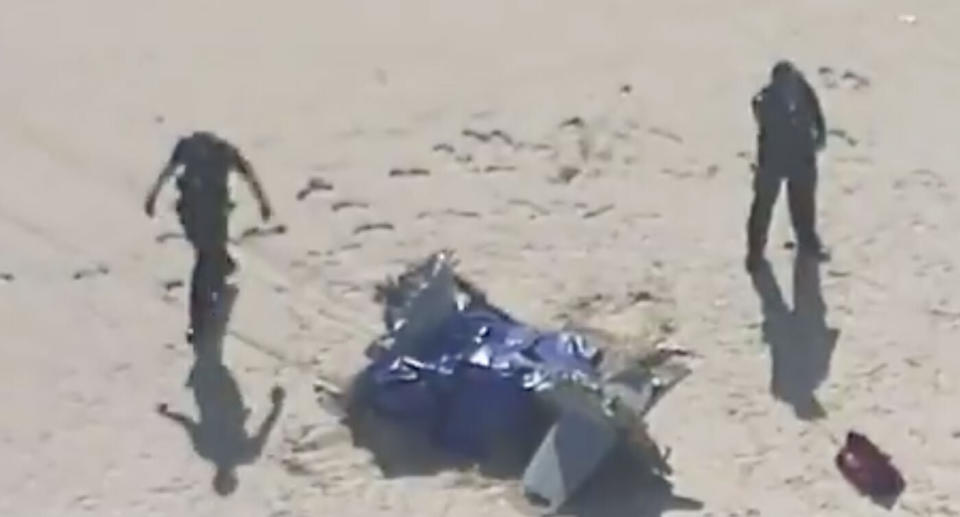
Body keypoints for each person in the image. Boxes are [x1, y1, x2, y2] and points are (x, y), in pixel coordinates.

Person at [144, 131, 272, 343]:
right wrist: (263, 203)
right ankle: (202, 311)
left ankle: (202, 311)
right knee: (206, 258)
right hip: (197, 213)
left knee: (207, 257)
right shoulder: (220, 151)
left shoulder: (199, 148)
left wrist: (152, 196)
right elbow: (248, 174)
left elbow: (168, 172)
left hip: (207, 213)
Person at [746, 60, 829, 272]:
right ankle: (755, 253)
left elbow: (816, 112)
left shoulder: (803, 89)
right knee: (763, 208)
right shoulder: (766, 101)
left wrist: (819, 135)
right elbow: (763, 117)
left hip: (801, 156)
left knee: (804, 205)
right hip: (774, 158)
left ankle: (808, 243)